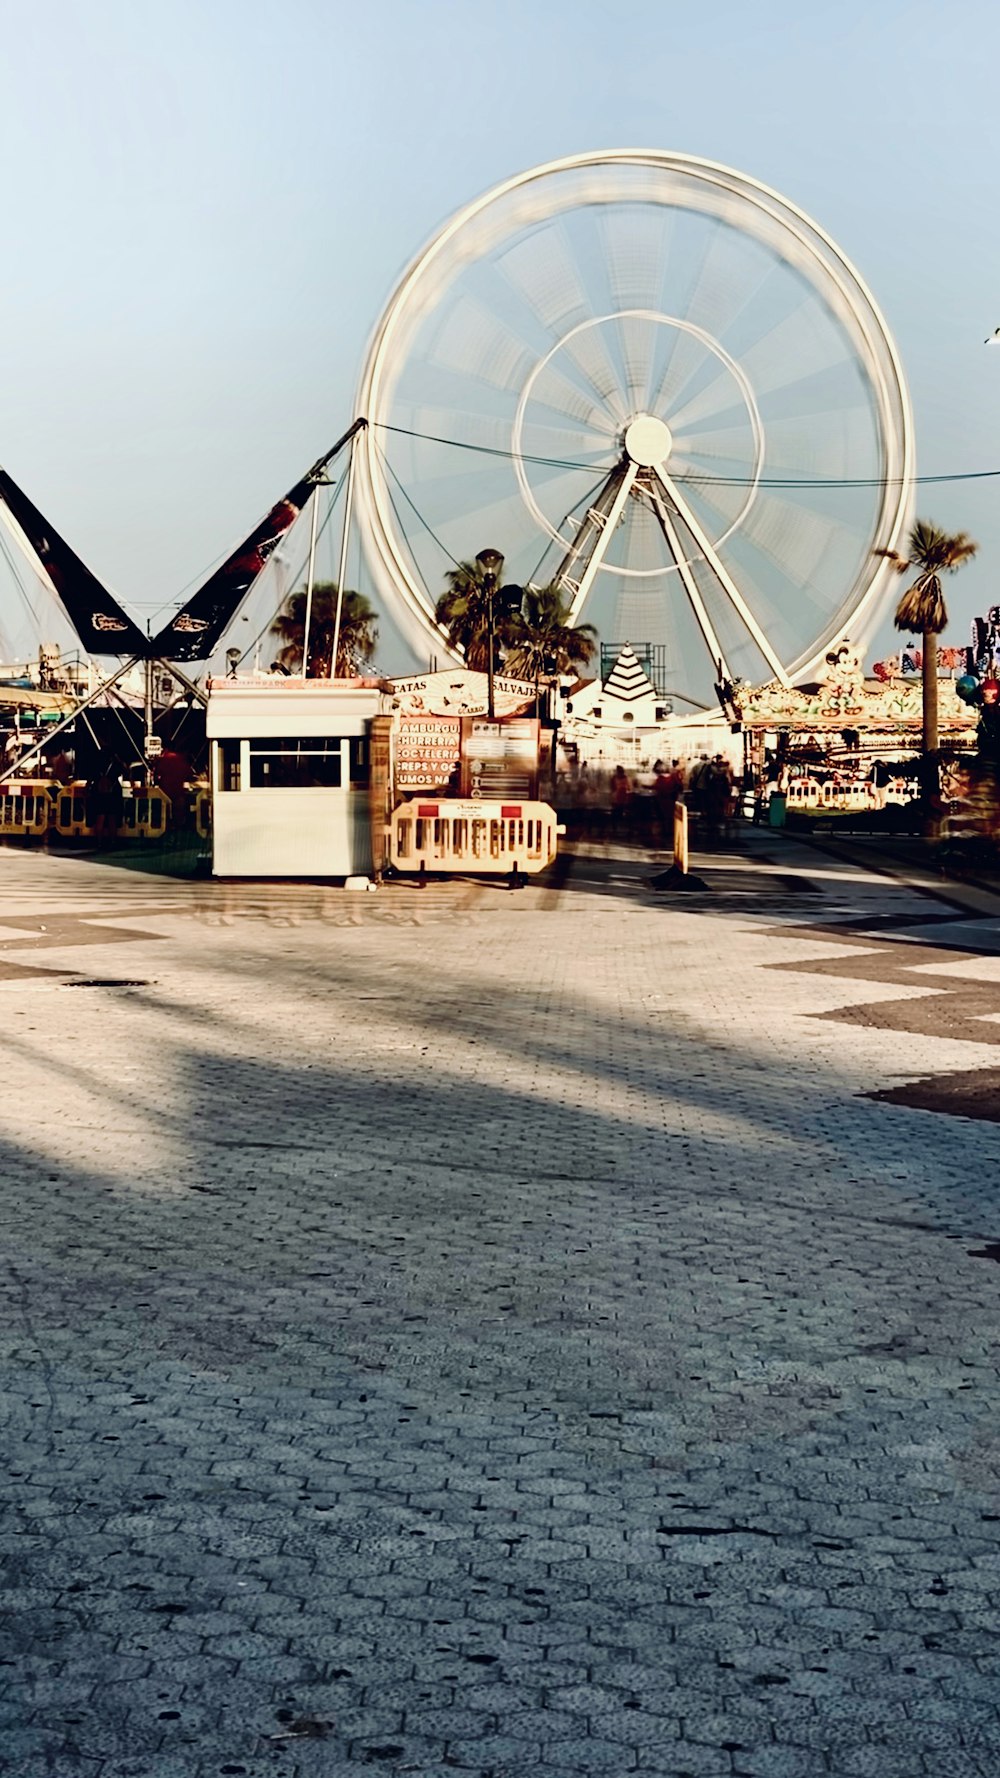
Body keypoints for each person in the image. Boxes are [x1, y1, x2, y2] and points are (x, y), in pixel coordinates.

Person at [609, 764, 631, 838]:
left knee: (615, 814)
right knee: (621, 813)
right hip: (623, 798)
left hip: (617, 798)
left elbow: (612, 788)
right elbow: (629, 788)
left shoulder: (614, 778)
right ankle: (620, 829)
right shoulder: (626, 778)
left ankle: (615, 829)